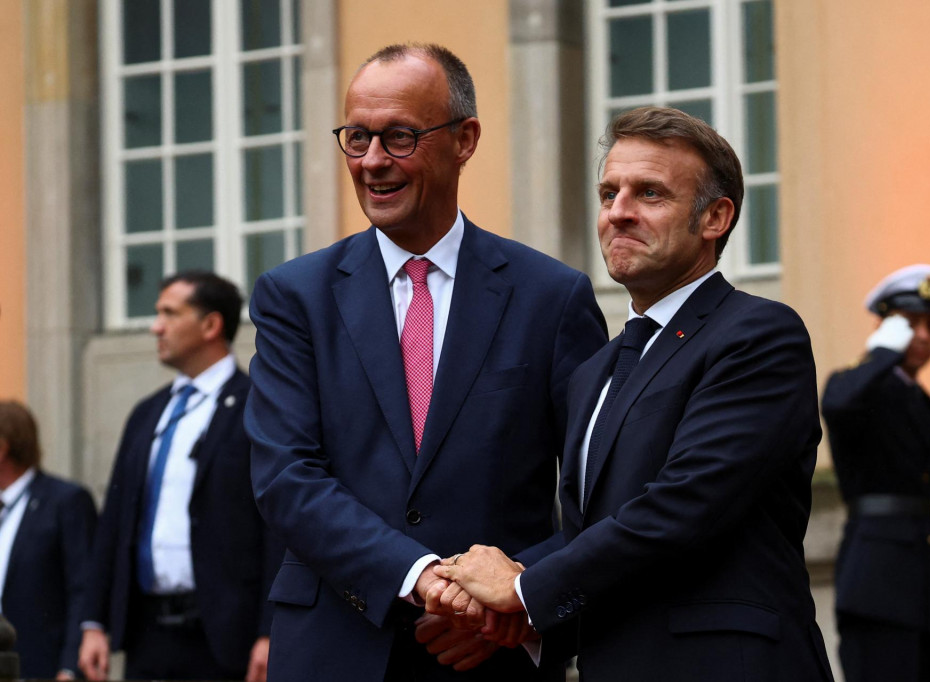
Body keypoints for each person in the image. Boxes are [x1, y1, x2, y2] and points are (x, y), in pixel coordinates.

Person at [244, 43, 607, 681]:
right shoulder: (292, 296)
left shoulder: (551, 297)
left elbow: (596, 495)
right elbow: (285, 476)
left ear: (465, 139)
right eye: (357, 138)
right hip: (336, 649)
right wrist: (420, 578)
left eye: (400, 137)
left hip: (492, 655)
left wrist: (517, 615)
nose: (373, 162)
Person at [433, 106, 834, 681]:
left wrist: (522, 587)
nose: (618, 213)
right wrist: (497, 601)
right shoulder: (594, 369)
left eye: (649, 194)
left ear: (715, 218)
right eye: (608, 193)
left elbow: (683, 505)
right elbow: (592, 533)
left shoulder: (758, 334)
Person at [78, 271, 281, 682]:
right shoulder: (148, 413)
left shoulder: (257, 407)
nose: (156, 327)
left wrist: (270, 629)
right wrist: (93, 622)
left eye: (169, 314)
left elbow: (277, 528)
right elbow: (115, 520)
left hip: (224, 638)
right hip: (146, 635)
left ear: (211, 325)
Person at [821, 264, 930, 682]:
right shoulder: (857, 385)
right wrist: (881, 353)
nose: (924, 336)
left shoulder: (924, 403)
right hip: (879, 589)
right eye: (912, 323)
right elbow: (838, 404)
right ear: (885, 326)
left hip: (928, 594)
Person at [0, 400, 97, 679]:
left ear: (3, 448)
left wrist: (69, 667)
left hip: (41, 667)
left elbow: (84, 590)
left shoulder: (65, 501)